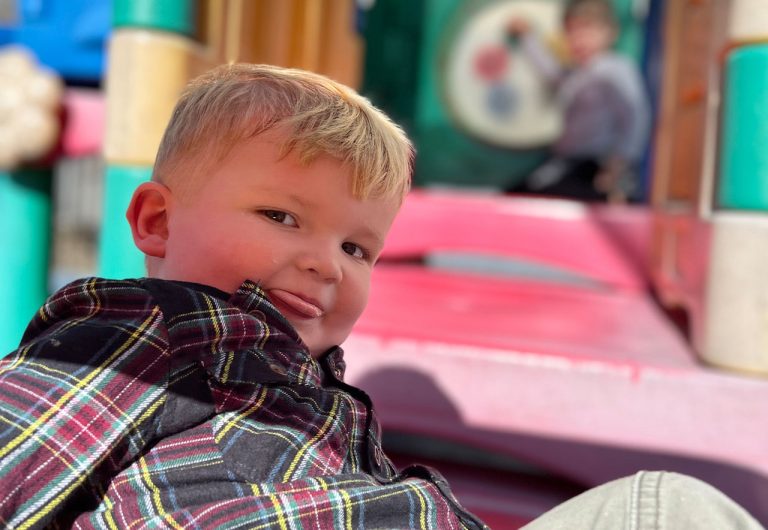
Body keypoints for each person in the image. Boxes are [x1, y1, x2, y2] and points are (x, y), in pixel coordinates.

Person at [0, 63, 763, 530]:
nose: (327, 264)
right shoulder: (153, 339)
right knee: (667, 513)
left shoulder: (300, 388)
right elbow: (21, 440)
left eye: (356, 247)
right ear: (157, 221)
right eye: (282, 217)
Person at [508, 0, 650, 203]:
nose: (578, 39)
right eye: (571, 32)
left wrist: (618, 167)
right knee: (519, 193)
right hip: (568, 163)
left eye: (587, 30)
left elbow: (635, 115)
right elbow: (553, 75)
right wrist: (526, 37)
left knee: (534, 199)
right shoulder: (579, 74)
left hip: (595, 168)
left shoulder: (614, 69)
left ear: (610, 32)